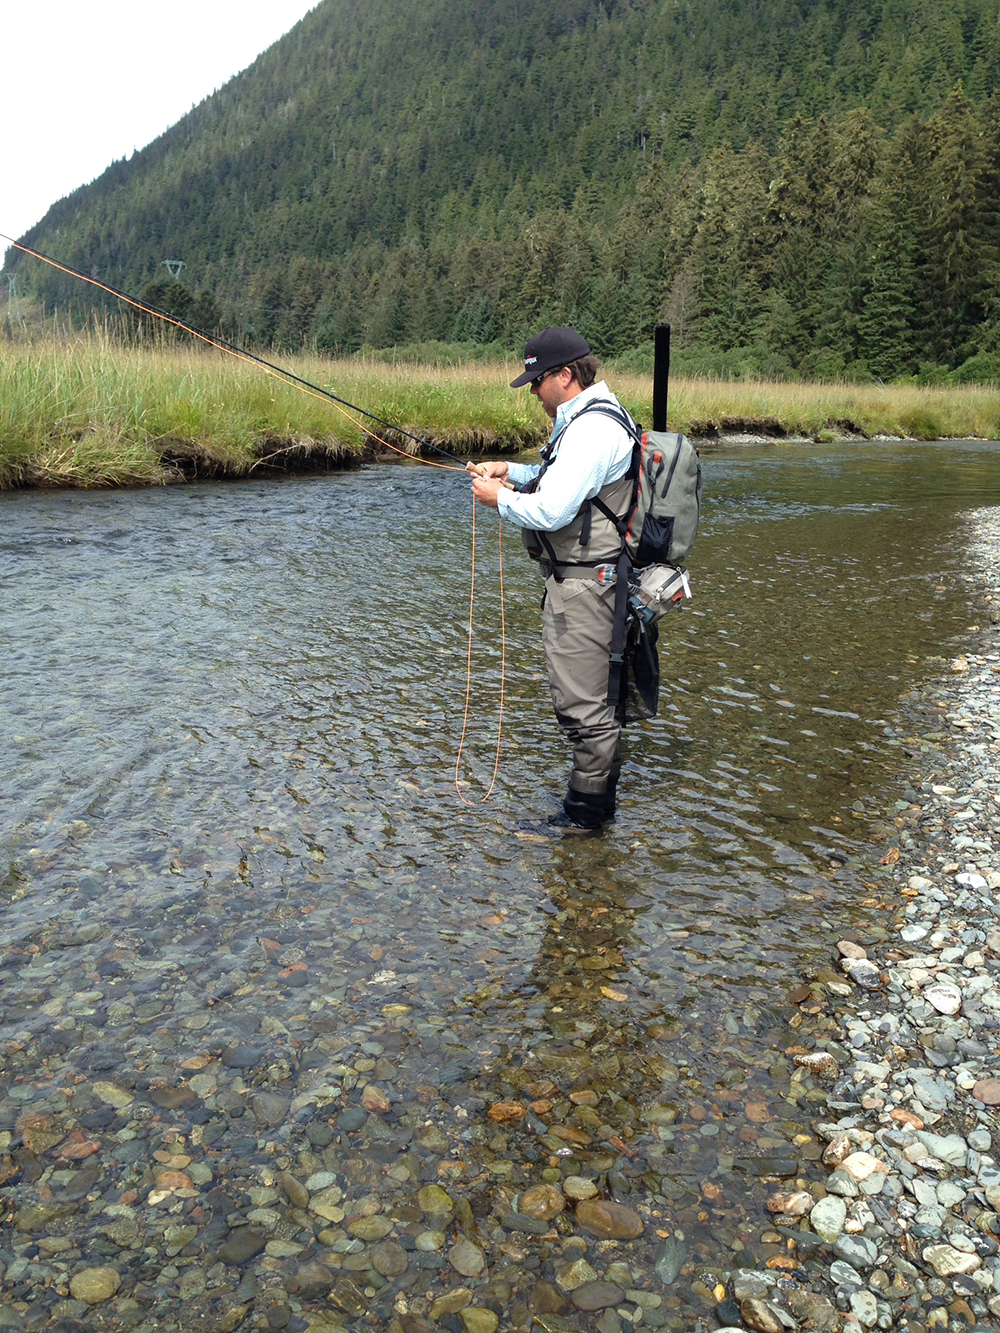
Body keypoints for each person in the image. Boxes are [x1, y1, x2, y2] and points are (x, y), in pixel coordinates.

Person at [469, 326, 636, 831]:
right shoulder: (591, 419)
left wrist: (499, 499)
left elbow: (553, 509)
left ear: (565, 375)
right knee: (594, 705)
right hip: (591, 581)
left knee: (585, 713)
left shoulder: (591, 430)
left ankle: (584, 821)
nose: (534, 392)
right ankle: (595, 811)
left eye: (538, 380)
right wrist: (512, 472)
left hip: (587, 588)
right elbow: (572, 483)